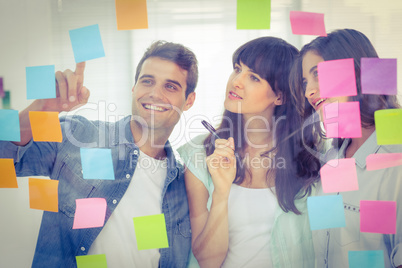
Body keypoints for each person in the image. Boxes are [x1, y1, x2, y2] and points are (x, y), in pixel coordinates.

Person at [0, 41, 197, 267]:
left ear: (189, 100)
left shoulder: (185, 186)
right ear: (134, 89)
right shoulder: (80, 135)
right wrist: (41, 108)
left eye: (170, 86)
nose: (155, 93)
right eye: (147, 81)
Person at [178, 37, 318, 268]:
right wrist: (221, 193)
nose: (236, 81)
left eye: (253, 77)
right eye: (237, 69)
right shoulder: (198, 155)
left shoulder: (311, 156)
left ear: (280, 96)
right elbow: (207, 261)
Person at [290, 29, 402, 268]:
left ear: (358, 73)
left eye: (318, 74)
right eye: (305, 82)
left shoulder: (396, 159)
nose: (309, 91)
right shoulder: (332, 157)